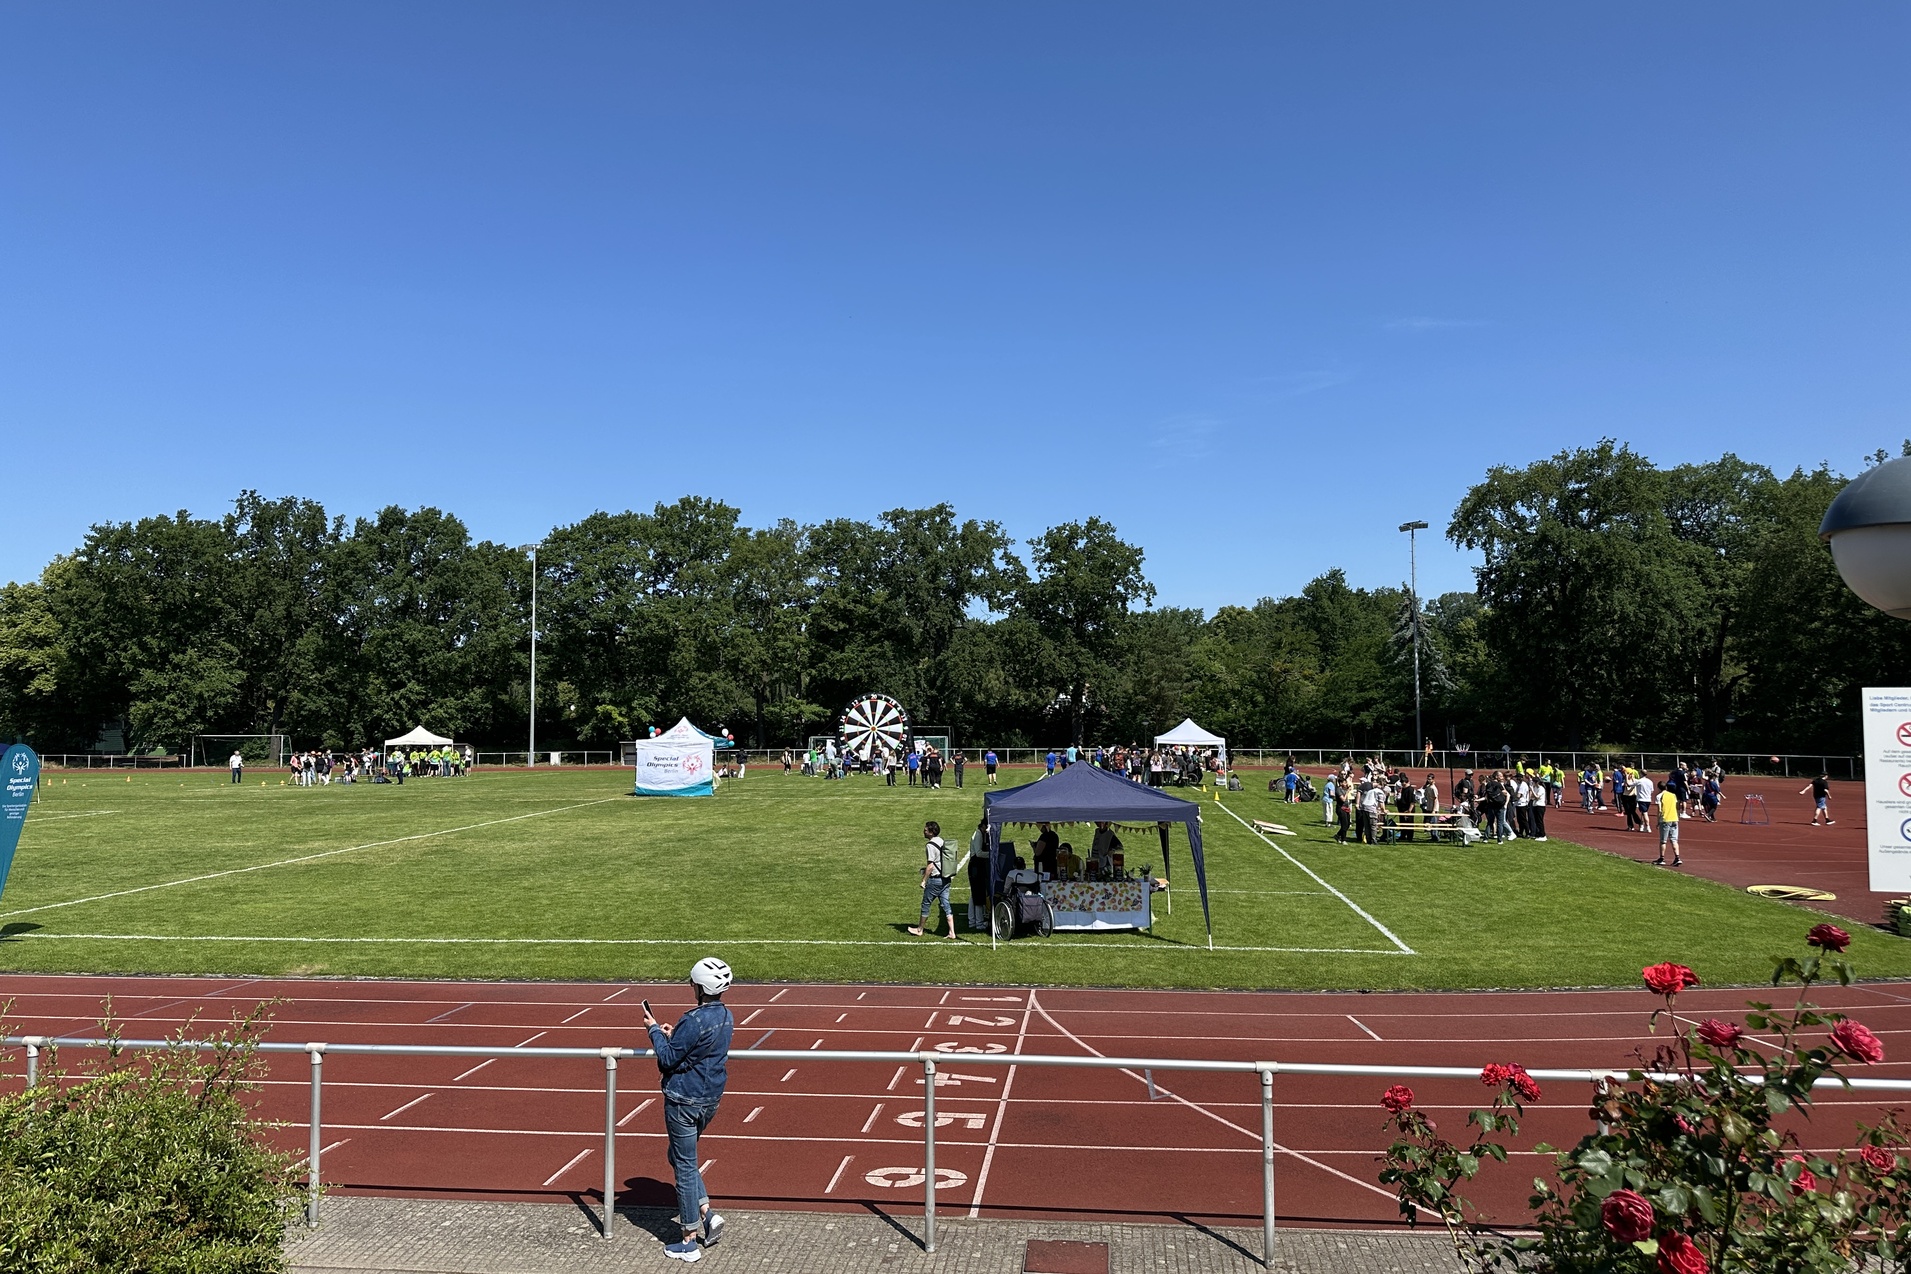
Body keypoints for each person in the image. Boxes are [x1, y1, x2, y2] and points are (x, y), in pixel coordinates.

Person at [645, 957, 736, 1262]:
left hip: (684, 1099)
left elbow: (668, 1060)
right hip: (710, 1099)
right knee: (679, 1155)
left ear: (698, 987)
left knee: (683, 1165)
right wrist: (675, 1036)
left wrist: (655, 1030)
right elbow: (699, 1048)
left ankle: (688, 1241)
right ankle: (707, 1213)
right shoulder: (726, 1015)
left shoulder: (693, 1019)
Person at [908, 821, 959, 940]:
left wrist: (924, 880)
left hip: (935, 880)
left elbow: (930, 866)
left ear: (931, 832)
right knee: (946, 905)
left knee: (926, 904)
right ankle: (952, 932)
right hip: (946, 878)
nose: (923, 832)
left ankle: (920, 929)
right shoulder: (941, 841)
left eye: (925, 830)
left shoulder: (930, 845)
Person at [966, 819, 991, 930]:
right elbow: (978, 853)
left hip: (975, 866)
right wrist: (992, 854)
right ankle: (979, 922)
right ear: (983, 826)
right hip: (976, 866)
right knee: (979, 894)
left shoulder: (979, 833)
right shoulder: (978, 835)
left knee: (974, 895)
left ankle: (972, 921)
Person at [1654, 784, 1683, 867]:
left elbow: (1659, 810)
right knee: (1674, 840)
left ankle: (1662, 858)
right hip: (1674, 818)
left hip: (1665, 819)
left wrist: (1658, 821)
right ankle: (1677, 857)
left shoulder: (1659, 796)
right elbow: (1677, 806)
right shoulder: (1673, 795)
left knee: (1663, 840)